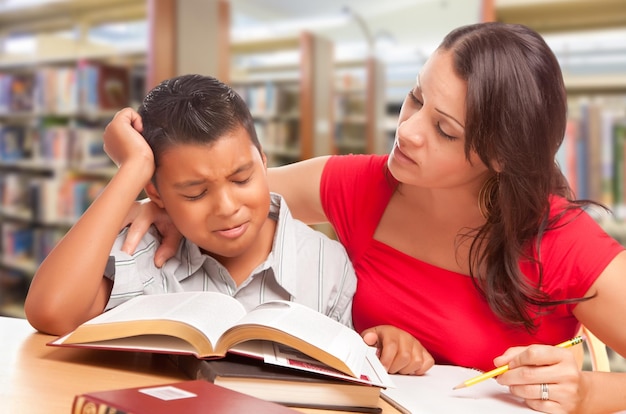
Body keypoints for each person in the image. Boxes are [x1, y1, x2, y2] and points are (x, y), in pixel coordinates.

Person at [103, 23, 626, 413]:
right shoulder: (361, 186)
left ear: (501, 157)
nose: (408, 131)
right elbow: (232, 190)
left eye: (444, 130)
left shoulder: (561, 242)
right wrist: (161, 199)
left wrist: (586, 394)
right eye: (415, 97)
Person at [24, 74, 359, 340]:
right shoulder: (145, 255)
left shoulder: (327, 265)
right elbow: (52, 311)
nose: (227, 207)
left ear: (264, 161)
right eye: (196, 194)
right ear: (155, 194)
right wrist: (133, 167)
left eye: (242, 179)